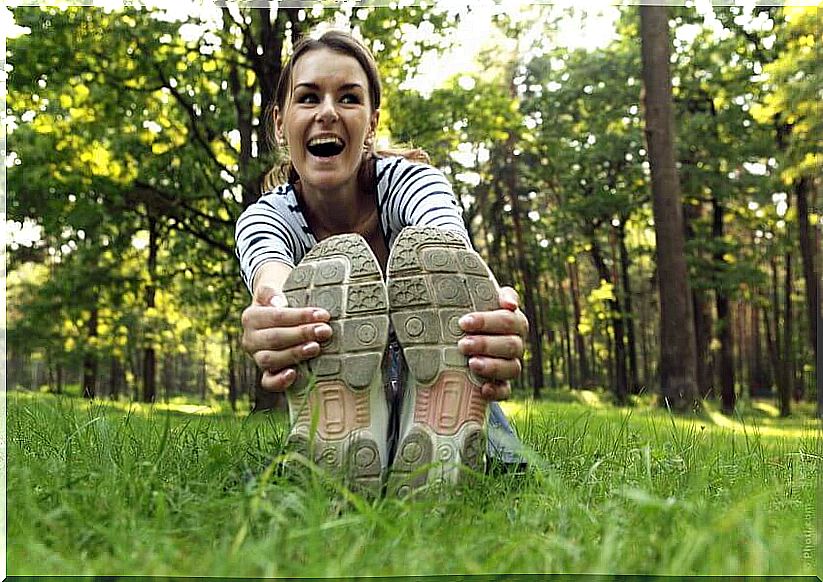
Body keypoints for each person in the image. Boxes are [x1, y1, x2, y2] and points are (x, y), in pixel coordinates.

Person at [235, 28, 528, 494]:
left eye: (348, 99)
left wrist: (493, 316)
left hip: (429, 375)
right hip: (338, 385)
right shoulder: (267, 216)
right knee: (276, 475)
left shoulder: (411, 183)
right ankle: (365, 445)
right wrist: (274, 317)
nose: (328, 112)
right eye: (308, 98)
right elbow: (270, 273)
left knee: (493, 449)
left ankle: (441, 440)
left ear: (371, 122)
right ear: (279, 122)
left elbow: (447, 244)